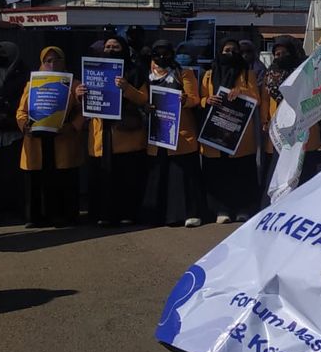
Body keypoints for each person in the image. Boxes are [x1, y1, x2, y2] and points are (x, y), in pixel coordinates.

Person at [76, 35, 149, 226]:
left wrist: (127, 88)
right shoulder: (92, 70)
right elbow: (84, 104)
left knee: (126, 178)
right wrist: (79, 95)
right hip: (100, 134)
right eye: (107, 47)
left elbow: (145, 100)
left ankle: (128, 214)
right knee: (101, 177)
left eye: (115, 47)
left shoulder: (135, 72)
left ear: (124, 50)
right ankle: (103, 214)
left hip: (126, 137)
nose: (110, 50)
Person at [16, 46, 85, 227]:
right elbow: (21, 112)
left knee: (63, 178)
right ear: (42, 63)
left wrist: (72, 127)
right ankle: (36, 217)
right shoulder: (32, 85)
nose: (52, 64)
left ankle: (64, 215)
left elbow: (82, 112)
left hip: (63, 138)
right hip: (36, 139)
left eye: (56, 60)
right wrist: (24, 126)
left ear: (64, 62)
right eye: (48, 61)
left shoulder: (75, 85)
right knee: (36, 179)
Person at [141, 39, 206, 227]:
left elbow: (194, 99)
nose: (162, 57)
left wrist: (184, 100)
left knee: (183, 176)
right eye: (157, 53)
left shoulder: (183, 73)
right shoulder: (147, 76)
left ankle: (189, 213)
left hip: (181, 134)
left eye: (166, 53)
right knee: (160, 176)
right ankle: (159, 215)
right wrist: (127, 90)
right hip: (157, 133)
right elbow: (141, 97)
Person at [200, 38, 261, 224]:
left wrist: (240, 91)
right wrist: (207, 101)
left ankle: (243, 209)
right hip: (215, 131)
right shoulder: (209, 75)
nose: (231, 54)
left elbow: (256, 98)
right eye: (226, 50)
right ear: (220, 52)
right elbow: (200, 99)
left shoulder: (247, 73)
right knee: (219, 173)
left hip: (239, 134)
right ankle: (221, 210)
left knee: (241, 173)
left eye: (234, 50)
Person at [260, 36, 321, 207]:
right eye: (277, 54)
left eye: (284, 53)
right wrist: (264, 120)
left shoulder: (306, 71)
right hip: (280, 130)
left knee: (304, 172)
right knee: (279, 172)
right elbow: (265, 99)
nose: (280, 57)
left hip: (304, 127)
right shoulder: (270, 74)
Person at [0, 41, 28, 225]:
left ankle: (17, 212)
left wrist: (7, 118)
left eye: (3, 52)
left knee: (14, 176)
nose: (0, 55)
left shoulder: (23, 75)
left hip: (14, 133)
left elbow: (25, 102)